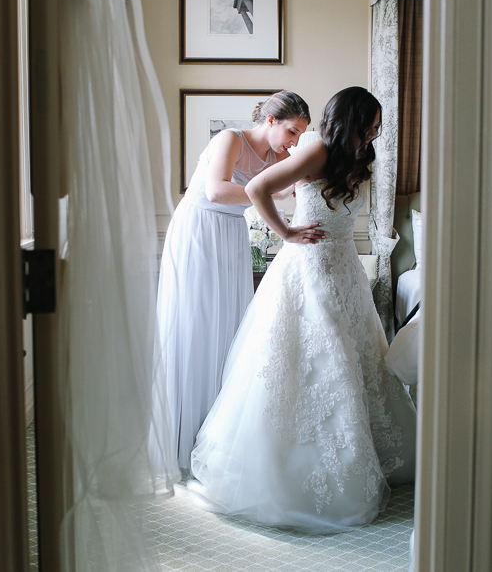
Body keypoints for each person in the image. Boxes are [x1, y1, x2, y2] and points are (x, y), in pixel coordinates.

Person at [189, 87, 416, 533]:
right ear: (347, 121)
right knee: (315, 358)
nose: (372, 135)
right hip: (308, 268)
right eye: (367, 126)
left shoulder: (354, 156)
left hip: (344, 267)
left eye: (375, 127)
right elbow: (256, 187)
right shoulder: (316, 151)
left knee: (355, 357)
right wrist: (287, 232)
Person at [157, 90, 321, 477]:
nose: (294, 141)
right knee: (195, 325)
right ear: (271, 120)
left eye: (300, 135)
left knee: (228, 327)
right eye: (292, 131)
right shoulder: (231, 138)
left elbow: (291, 184)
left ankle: (212, 433)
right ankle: (179, 435)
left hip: (231, 234)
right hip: (197, 230)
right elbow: (215, 190)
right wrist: (275, 193)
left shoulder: (279, 157)